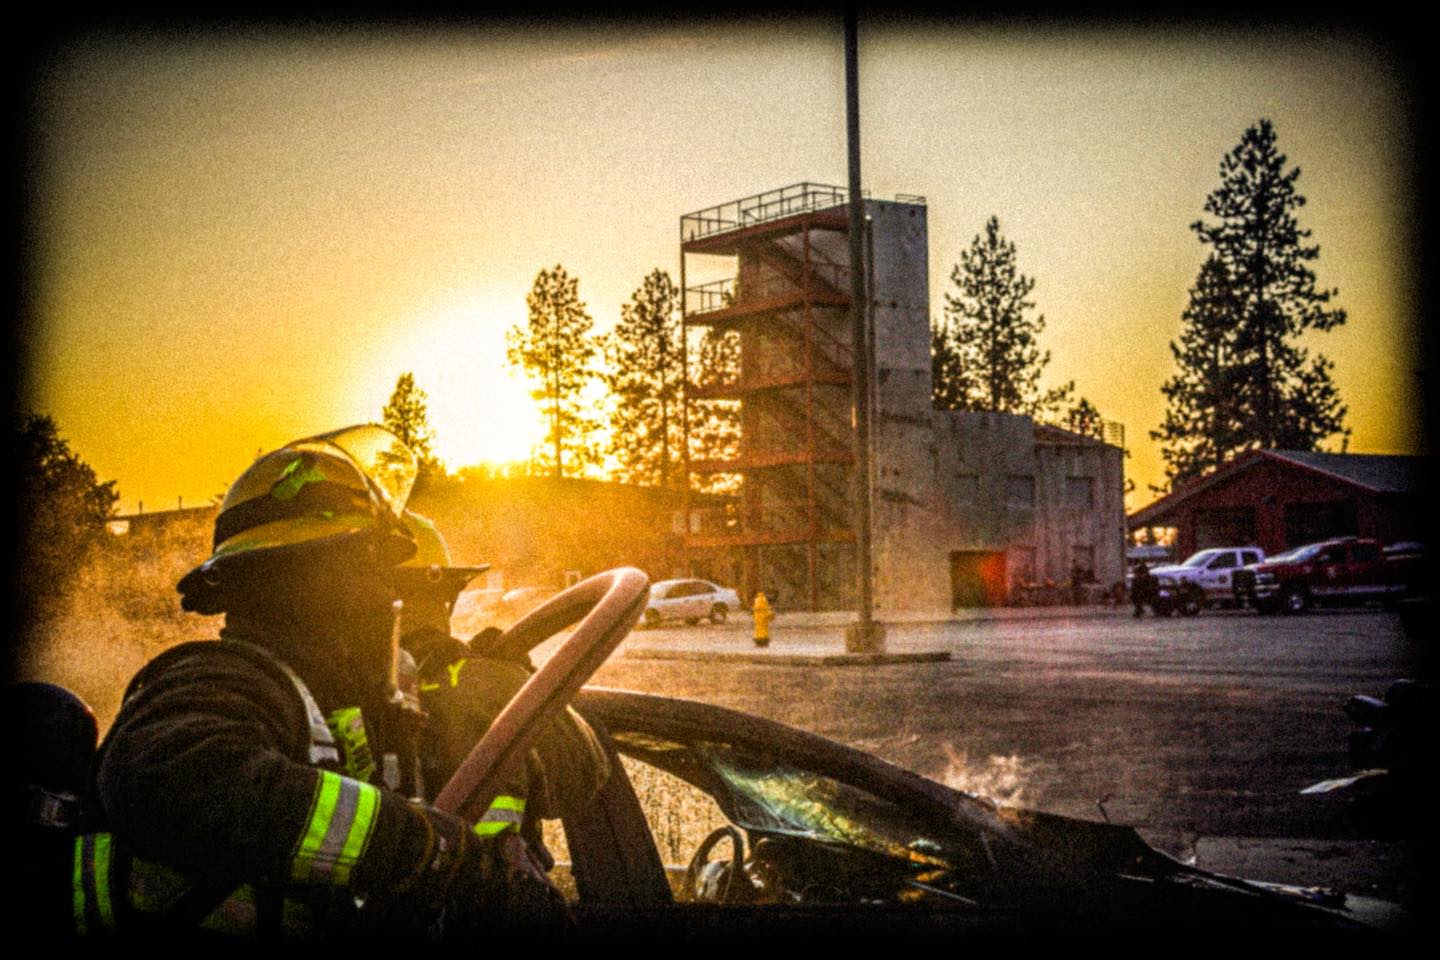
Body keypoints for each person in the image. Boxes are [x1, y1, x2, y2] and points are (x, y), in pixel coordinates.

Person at [72, 424, 579, 942]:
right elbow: (172, 777)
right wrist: (430, 852)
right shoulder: (221, 679)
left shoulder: (333, 701)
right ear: (316, 583)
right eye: (373, 569)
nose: (389, 597)